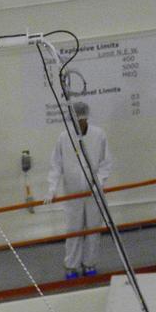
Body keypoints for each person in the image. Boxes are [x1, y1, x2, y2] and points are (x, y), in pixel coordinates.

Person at [44, 100, 112, 278]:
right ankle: (71, 266)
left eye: (81, 120)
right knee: (73, 230)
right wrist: (52, 189)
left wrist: (98, 182)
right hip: (72, 193)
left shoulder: (99, 135)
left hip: (94, 194)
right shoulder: (64, 138)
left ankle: (89, 264)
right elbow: (56, 165)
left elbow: (105, 163)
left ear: (86, 118)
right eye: (75, 120)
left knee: (93, 229)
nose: (78, 124)